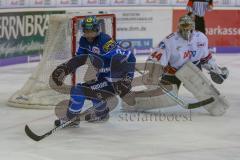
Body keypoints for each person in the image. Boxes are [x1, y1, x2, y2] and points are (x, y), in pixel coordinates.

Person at [123, 15, 229, 116]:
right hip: (172, 72)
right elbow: (156, 59)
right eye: (183, 27)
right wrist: (153, 73)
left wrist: (216, 69)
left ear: (194, 28)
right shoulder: (170, 41)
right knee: (162, 98)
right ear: (178, 27)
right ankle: (130, 102)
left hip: (193, 70)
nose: (186, 31)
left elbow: (205, 58)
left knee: (204, 90)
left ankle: (217, 106)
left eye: (189, 28)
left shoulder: (201, 38)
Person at [51, 16, 136, 127]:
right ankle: (101, 112)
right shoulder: (83, 41)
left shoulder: (105, 41)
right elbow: (79, 59)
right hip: (103, 76)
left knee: (78, 91)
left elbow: (130, 57)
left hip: (114, 79)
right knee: (92, 88)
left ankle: (71, 119)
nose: (89, 34)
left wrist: (128, 78)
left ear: (97, 29)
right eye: (86, 30)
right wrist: (65, 68)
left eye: (92, 30)